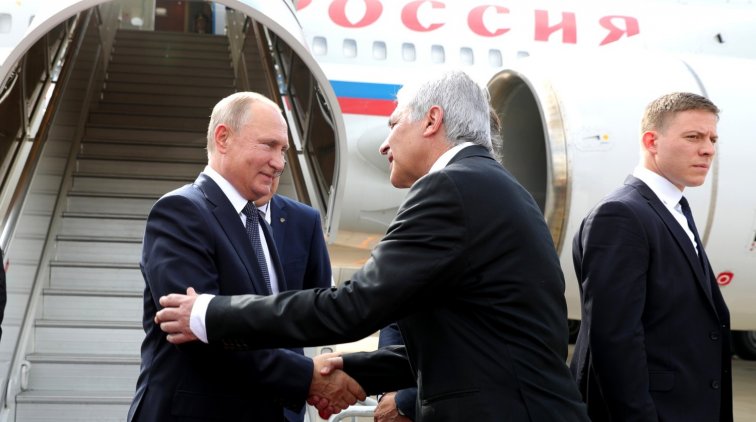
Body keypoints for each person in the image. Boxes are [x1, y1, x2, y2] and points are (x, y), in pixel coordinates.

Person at [155, 70, 590, 421]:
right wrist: (346, 370)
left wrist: (210, 314)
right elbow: (457, 344)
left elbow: (353, 305)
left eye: (393, 124)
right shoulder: (497, 188)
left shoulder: (450, 188)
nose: (384, 144)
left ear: (432, 121)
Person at [127, 91, 364, 421]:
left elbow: (284, 320)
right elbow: (200, 337)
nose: (279, 163)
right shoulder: (181, 211)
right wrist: (306, 376)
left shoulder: (258, 221)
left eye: (283, 150)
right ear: (223, 138)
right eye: (268, 145)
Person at [569, 92, 732, 422]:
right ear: (651, 141)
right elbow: (614, 342)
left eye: (712, 139)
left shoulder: (673, 210)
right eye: (693, 137)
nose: (708, 149)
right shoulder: (621, 215)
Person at [256, 176, 333, 421]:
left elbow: (321, 302)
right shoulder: (203, 214)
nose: (275, 167)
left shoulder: (305, 219)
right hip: (225, 393)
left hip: (286, 397)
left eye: (281, 156)